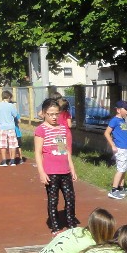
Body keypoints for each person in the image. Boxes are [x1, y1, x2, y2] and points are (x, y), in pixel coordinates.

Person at [35, 98, 80, 235]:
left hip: (64, 170)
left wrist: (72, 168)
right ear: (44, 113)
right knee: (53, 199)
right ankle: (55, 227)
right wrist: (41, 172)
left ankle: (71, 223)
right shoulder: (41, 130)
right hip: (51, 172)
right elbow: (38, 152)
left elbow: (63, 150)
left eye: (56, 114)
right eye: (51, 114)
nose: (54, 117)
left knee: (70, 198)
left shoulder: (61, 128)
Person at [104, 100, 127, 199]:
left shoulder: (123, 120)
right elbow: (107, 133)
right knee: (120, 169)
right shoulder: (114, 120)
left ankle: (121, 188)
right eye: (126, 109)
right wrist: (113, 145)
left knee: (124, 169)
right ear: (119, 110)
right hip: (120, 149)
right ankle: (113, 190)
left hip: (125, 148)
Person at [0, 90, 20, 167]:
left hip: (2, 127)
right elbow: (15, 115)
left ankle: (4, 161)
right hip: (11, 127)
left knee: (3, 144)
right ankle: (12, 161)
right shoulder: (11, 106)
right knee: (13, 144)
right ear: (8, 97)